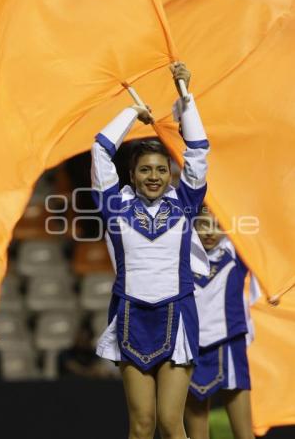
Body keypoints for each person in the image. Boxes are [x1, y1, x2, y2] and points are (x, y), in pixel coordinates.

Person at [91, 62, 210, 439]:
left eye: (161, 169)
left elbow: (198, 150)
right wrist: (131, 113)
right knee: (142, 425)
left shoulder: (185, 203)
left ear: (170, 174)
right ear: (132, 175)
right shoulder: (115, 207)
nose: (154, 176)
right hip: (130, 316)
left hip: (176, 314)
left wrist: (184, 96)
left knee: (172, 422)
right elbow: (100, 149)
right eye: (145, 170)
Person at [184, 206, 260, 439]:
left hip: (230, 346)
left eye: (217, 224)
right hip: (189, 348)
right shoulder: (180, 256)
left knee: (244, 434)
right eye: (203, 224)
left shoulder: (239, 253)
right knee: (197, 435)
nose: (210, 231)